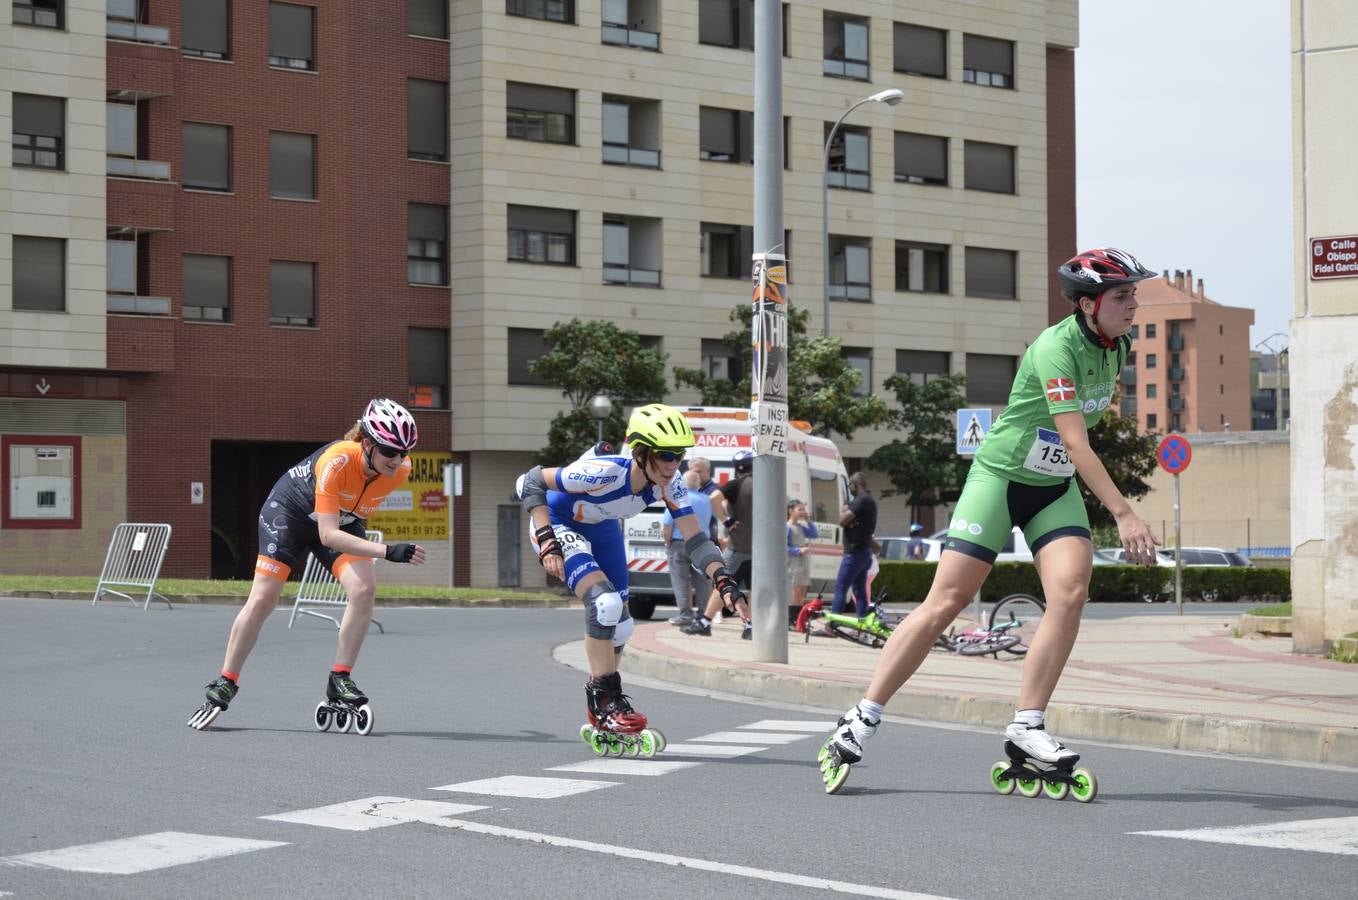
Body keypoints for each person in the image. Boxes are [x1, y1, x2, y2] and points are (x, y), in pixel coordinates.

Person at [818, 247, 1162, 792]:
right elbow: (1076, 441)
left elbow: (1072, 448)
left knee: (1070, 593)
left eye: (1133, 294)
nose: (1133, 305)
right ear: (1088, 303)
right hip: (1000, 479)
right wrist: (1123, 513)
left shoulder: (1117, 346)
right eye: (1122, 296)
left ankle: (1028, 727)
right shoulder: (1055, 348)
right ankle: (861, 717)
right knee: (946, 602)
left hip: (1052, 487)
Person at [187, 399, 427, 731]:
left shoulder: (400, 469)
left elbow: (348, 516)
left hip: (342, 519)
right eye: (390, 450)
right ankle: (225, 680)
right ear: (368, 443)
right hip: (290, 513)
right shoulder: (337, 461)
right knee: (263, 598)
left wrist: (375, 549)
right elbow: (328, 535)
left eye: (404, 451)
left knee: (363, 589)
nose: (398, 460)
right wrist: (387, 550)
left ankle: (340, 677)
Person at [517, 403, 745, 747]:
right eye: (665, 455)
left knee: (623, 627)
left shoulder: (672, 484)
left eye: (679, 455)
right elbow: (530, 480)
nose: (673, 464)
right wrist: (547, 539)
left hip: (601, 525)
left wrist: (724, 580)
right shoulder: (604, 473)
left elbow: (697, 540)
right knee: (604, 605)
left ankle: (604, 705)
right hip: (559, 521)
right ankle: (605, 703)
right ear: (640, 453)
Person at [682, 449, 755, 639]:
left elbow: (714, 498)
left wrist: (727, 521)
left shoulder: (737, 484)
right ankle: (751, 626)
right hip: (761, 548)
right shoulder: (766, 484)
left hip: (738, 546)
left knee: (723, 583)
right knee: (756, 588)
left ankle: (705, 622)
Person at [663, 469, 713, 627]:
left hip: (679, 543)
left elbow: (667, 525)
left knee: (681, 581)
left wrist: (667, 543)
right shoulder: (707, 500)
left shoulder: (677, 499)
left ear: (682, 483)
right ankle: (703, 615)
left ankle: (685, 615)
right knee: (702, 581)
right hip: (701, 543)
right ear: (698, 484)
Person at [831, 472, 877, 620]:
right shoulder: (869, 500)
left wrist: (846, 512)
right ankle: (862, 620)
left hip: (854, 552)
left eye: (849, 485)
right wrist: (850, 518)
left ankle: (832, 623)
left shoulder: (862, 500)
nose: (849, 488)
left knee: (840, 587)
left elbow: (842, 521)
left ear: (855, 485)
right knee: (859, 590)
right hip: (864, 551)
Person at [687, 456, 729, 544]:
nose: (695, 475)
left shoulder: (717, 492)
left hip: (710, 540)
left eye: (698, 472)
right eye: (692, 472)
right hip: (691, 540)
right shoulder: (688, 491)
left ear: (708, 471)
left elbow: (724, 514)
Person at [786, 499, 819, 609]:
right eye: (799, 509)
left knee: (801, 593)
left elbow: (814, 534)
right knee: (794, 593)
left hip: (802, 563)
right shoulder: (787, 527)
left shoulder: (800, 527)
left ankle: (798, 616)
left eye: (803, 510)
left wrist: (808, 520)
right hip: (792, 564)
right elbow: (783, 548)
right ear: (791, 511)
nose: (802, 512)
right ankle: (792, 616)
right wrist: (799, 550)